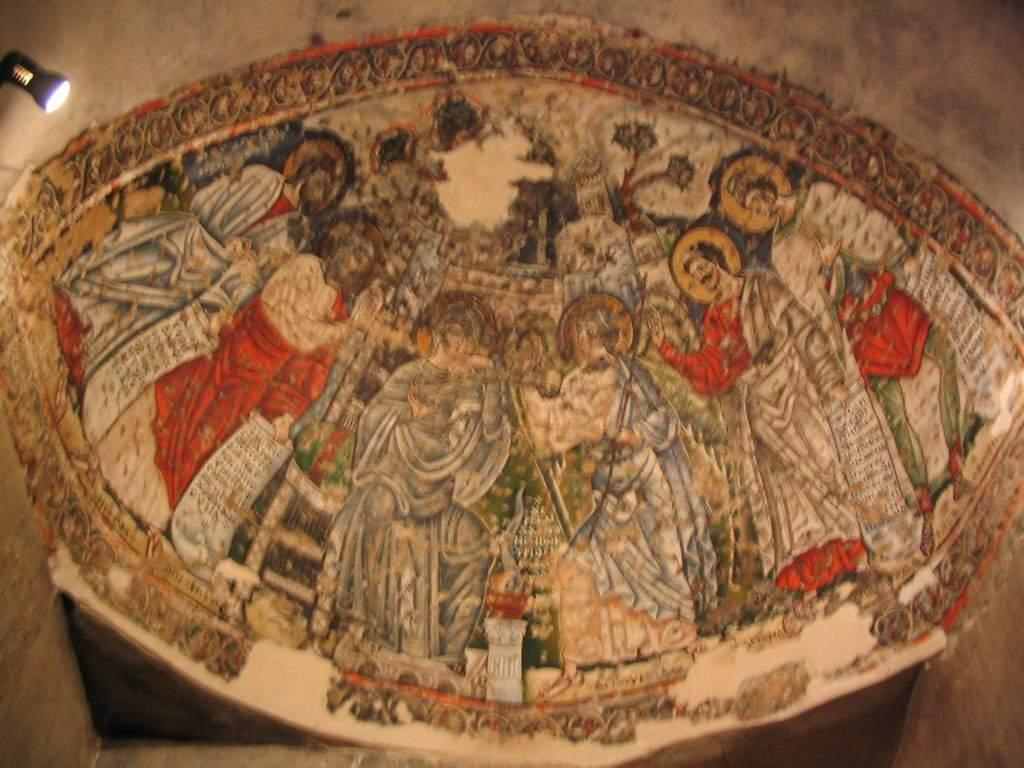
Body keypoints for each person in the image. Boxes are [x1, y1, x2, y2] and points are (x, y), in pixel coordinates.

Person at [96, 254, 368, 576]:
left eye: (362, 255)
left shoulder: (335, 315)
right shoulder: (305, 265)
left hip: (251, 386)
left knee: (200, 449)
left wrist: (285, 412)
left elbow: (307, 376)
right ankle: (122, 483)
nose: (352, 256)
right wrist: (227, 324)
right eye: (351, 246)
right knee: (169, 409)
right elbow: (255, 306)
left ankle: (156, 522)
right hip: (226, 355)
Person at [649, 228, 865, 597]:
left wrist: (829, 378)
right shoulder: (714, 321)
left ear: (718, 259)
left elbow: (803, 328)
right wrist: (668, 352)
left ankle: (854, 549)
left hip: (792, 388)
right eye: (694, 275)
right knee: (784, 494)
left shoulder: (762, 288)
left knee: (822, 465)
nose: (702, 276)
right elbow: (712, 373)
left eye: (703, 266)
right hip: (758, 412)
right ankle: (815, 574)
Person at [522, 293, 717, 699]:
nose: (584, 342)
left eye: (591, 334)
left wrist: (634, 433)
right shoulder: (575, 383)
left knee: (662, 564)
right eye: (579, 336)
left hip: (645, 484)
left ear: (606, 336)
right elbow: (556, 432)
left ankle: (683, 641)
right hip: (609, 492)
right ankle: (575, 666)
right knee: (575, 566)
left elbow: (664, 422)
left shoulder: (632, 376)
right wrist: (530, 394)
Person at [55, 136, 349, 389]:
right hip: (190, 246)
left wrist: (247, 265)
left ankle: (91, 351)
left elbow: (261, 281)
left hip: (216, 281)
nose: (318, 189)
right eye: (318, 179)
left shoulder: (293, 236)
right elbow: (204, 205)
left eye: (324, 186)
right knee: (132, 274)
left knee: (149, 322)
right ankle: (75, 310)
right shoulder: (262, 180)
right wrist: (224, 245)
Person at [322, 298, 511, 663]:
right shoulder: (410, 375)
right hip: (393, 483)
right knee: (379, 510)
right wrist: (410, 417)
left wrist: (492, 380)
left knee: (476, 539)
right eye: (455, 340)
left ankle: (449, 657)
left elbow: (489, 432)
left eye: (468, 343)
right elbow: (373, 418)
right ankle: (368, 627)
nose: (461, 349)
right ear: (439, 337)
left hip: (437, 498)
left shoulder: (471, 386)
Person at [819, 244, 964, 554]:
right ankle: (926, 507)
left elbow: (881, 248)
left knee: (947, 356)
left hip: (898, 313)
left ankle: (957, 460)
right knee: (897, 421)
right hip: (869, 341)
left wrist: (900, 261)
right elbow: (824, 304)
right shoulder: (814, 253)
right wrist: (828, 267)